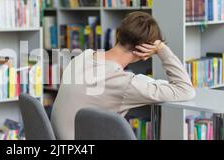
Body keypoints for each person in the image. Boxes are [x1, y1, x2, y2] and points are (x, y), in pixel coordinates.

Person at [51, 12, 196, 140]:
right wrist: (162, 49)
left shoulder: (82, 57)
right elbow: (185, 90)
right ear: (145, 51)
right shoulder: (124, 84)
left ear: (119, 34)